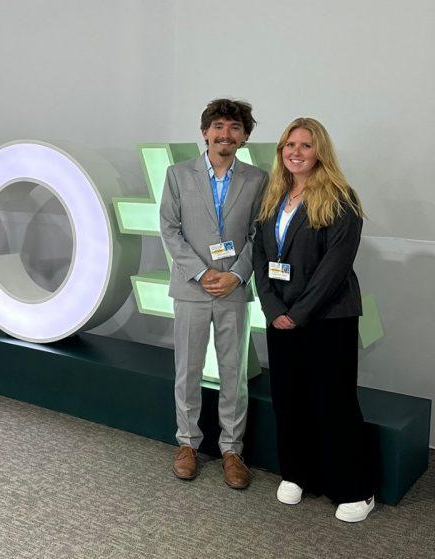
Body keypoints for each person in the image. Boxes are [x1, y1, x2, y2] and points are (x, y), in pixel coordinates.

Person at [252, 117, 376, 522]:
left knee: (334, 402)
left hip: (328, 319)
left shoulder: (342, 198)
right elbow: (260, 255)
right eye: (290, 145)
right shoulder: (274, 195)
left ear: (320, 150)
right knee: (289, 398)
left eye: (305, 145)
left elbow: (334, 269)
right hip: (281, 317)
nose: (296, 152)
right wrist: (274, 310)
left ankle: (355, 488)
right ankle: (297, 474)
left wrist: (298, 314)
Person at [160, 99, 268, 488]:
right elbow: (170, 229)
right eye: (218, 126)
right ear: (205, 132)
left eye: (234, 128)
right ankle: (187, 443)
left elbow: (260, 236)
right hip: (192, 287)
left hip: (233, 291)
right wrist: (202, 272)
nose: (225, 134)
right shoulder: (178, 174)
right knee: (187, 368)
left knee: (233, 373)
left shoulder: (257, 179)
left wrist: (237, 276)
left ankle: (232, 449)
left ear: (244, 135)